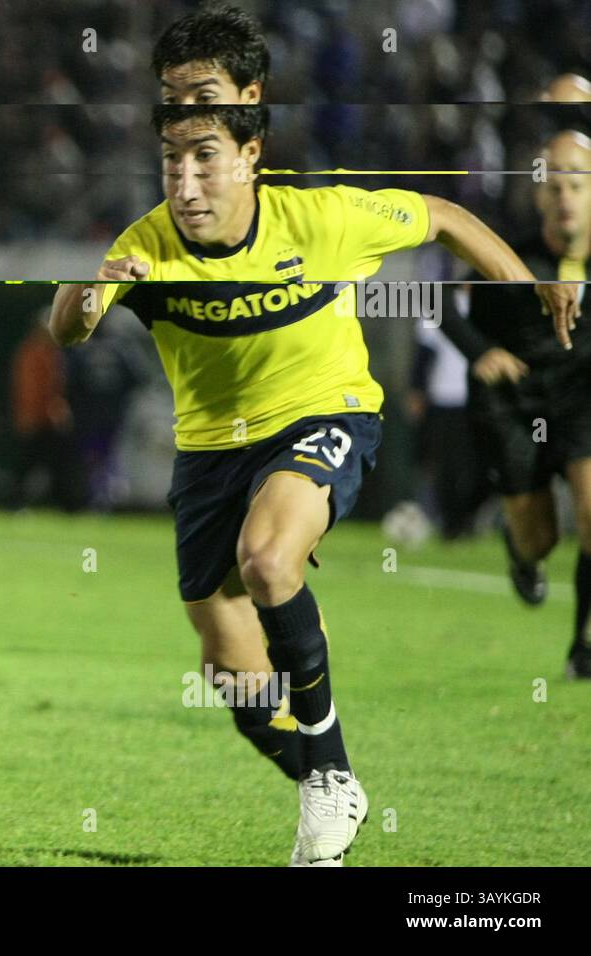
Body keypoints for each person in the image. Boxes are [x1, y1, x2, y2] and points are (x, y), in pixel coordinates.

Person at [48, 103, 580, 865]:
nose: (186, 180)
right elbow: (68, 328)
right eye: (172, 161)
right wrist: (94, 288)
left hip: (322, 413)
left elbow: (439, 215)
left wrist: (524, 280)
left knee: (268, 559)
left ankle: (328, 776)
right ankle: (332, 783)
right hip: (209, 456)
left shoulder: (322, 219)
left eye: (204, 158)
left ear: (250, 155)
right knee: (235, 682)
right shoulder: (147, 243)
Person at [441, 129, 591, 677]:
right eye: (553, 184)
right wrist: (480, 352)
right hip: (516, 403)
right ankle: (520, 547)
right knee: (540, 538)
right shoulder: (509, 251)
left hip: (581, 397)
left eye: (577, 181)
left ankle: (583, 648)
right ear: (538, 194)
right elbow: (447, 305)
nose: (565, 195)